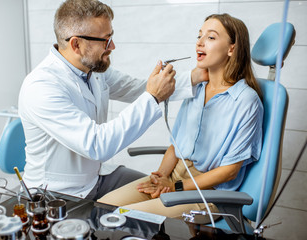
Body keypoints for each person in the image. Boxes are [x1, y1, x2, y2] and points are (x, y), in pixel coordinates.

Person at [18, 0, 205, 201]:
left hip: (96, 178)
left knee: (158, 198)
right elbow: (97, 145)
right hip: (57, 194)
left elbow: (138, 88)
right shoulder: (42, 87)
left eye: (111, 37)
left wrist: (196, 76)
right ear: (76, 44)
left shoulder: (93, 70)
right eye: (106, 40)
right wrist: (153, 97)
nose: (112, 46)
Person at [98, 13, 264, 223]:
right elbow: (175, 146)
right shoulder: (195, 89)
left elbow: (229, 171)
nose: (199, 43)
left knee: (127, 218)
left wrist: (175, 187)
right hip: (174, 177)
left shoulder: (246, 100)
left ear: (232, 48)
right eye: (199, 36)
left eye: (211, 37)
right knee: (104, 207)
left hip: (207, 192)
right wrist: (160, 176)